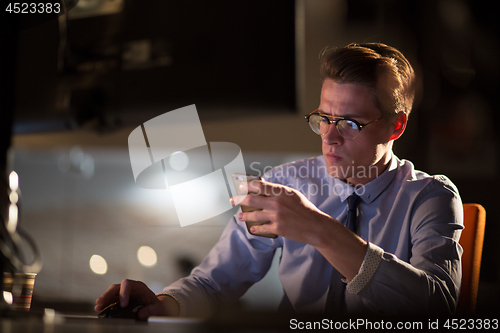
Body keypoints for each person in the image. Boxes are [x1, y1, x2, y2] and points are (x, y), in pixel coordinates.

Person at [95, 43, 463, 320]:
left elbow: (438, 309)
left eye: (350, 123)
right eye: (324, 118)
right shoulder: (286, 184)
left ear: (396, 126)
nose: (330, 137)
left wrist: (319, 230)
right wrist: (163, 304)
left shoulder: (430, 197)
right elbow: (214, 282)